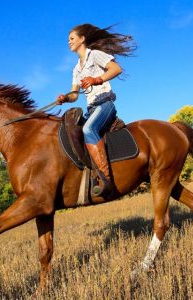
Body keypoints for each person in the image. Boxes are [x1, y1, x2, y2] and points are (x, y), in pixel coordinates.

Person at [57, 23, 136, 197]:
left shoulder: (95, 55)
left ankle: (106, 179)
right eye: (68, 40)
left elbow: (116, 69)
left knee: (88, 129)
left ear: (82, 39)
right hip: (91, 109)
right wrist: (65, 98)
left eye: (72, 38)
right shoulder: (76, 69)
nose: (69, 42)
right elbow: (75, 95)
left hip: (105, 104)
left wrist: (97, 79)